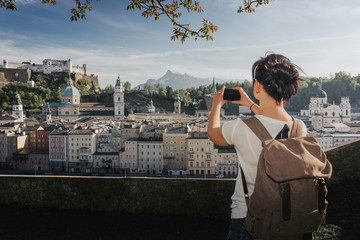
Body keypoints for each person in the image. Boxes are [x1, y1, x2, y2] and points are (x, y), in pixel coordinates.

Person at [207, 53, 307, 240]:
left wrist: (216, 106)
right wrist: (251, 104)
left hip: (248, 218)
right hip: (286, 217)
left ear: (257, 86)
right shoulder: (300, 127)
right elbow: (271, 119)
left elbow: (213, 133)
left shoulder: (241, 127)